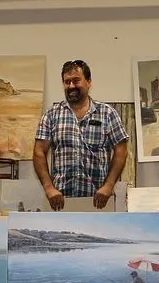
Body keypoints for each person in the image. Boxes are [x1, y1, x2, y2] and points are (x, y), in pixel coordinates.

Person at [33, 60, 128, 211]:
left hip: (98, 201)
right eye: (67, 82)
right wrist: (49, 188)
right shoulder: (51, 116)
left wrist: (109, 186)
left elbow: (121, 151)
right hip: (61, 202)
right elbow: (39, 152)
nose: (71, 86)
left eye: (76, 81)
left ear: (89, 82)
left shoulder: (108, 114)